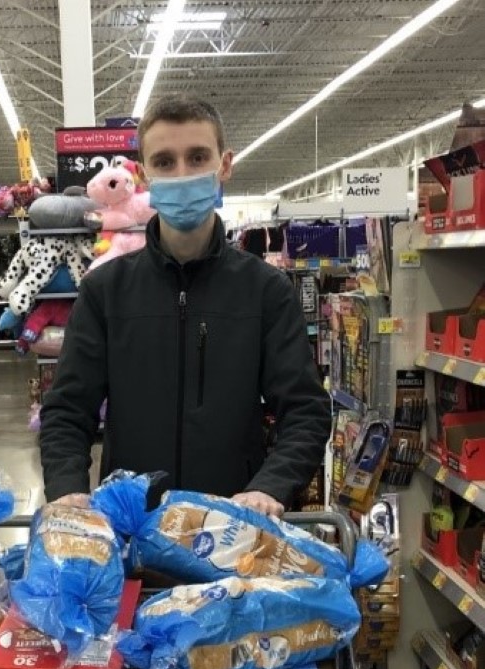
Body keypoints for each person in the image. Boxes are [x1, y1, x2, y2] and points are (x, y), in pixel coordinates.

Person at [39, 95, 330, 518]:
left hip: (232, 526)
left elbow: (305, 410)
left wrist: (270, 486)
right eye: (164, 161)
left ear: (223, 165)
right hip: (132, 523)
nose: (182, 174)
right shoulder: (105, 290)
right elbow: (68, 409)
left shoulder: (265, 290)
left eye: (197, 158)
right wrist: (67, 490)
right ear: (142, 173)